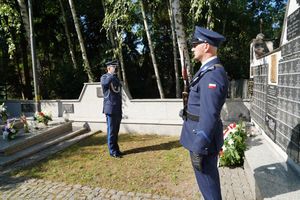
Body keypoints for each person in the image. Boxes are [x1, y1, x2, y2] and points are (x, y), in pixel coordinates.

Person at [180, 26, 229, 200]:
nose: (193, 47)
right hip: (199, 137)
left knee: (210, 190)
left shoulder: (213, 75)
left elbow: (209, 116)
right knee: (206, 187)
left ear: (206, 46)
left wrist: (199, 148)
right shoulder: (206, 71)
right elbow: (202, 105)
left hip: (202, 143)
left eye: (195, 44)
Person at [100, 60, 123, 158]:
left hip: (117, 108)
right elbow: (105, 84)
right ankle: (112, 151)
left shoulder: (115, 78)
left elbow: (118, 88)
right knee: (111, 131)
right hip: (110, 109)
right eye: (113, 67)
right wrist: (110, 74)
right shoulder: (105, 77)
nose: (115, 69)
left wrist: (114, 76)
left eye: (115, 67)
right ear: (109, 68)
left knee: (116, 131)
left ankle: (116, 149)